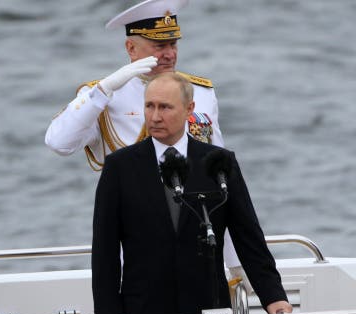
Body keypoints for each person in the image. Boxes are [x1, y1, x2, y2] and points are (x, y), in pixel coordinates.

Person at [44, 0, 248, 287]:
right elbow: (58, 142)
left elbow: (219, 178)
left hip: (197, 239)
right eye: (158, 46)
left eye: (173, 44)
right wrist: (104, 90)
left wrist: (236, 262)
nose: (169, 54)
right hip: (137, 245)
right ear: (131, 49)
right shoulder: (104, 97)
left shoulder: (200, 92)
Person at [91, 73, 292, 314]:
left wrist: (275, 298)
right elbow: (105, 250)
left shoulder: (219, 162)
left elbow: (249, 238)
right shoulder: (119, 167)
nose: (155, 116)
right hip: (144, 308)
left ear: (190, 109)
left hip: (209, 305)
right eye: (149, 106)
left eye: (165, 107)